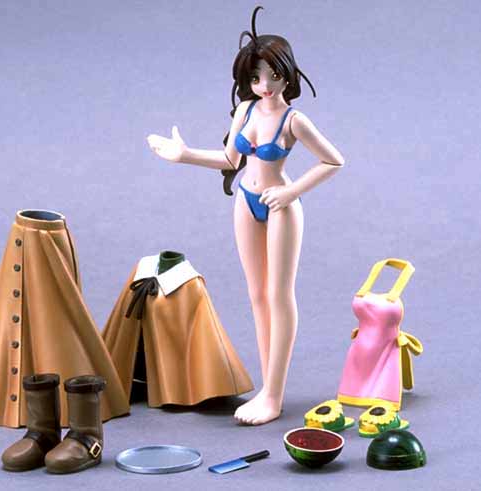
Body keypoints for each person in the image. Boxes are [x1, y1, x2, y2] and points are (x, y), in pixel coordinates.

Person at [147, 6, 344, 425]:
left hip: (280, 208)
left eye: (273, 76)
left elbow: (334, 160)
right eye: (256, 78)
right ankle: (267, 390)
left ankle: (273, 396)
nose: (265, 85)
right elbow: (228, 159)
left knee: (278, 295)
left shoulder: (294, 120)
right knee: (257, 296)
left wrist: (290, 191)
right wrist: (183, 155)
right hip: (245, 202)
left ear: (288, 74)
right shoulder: (246, 111)